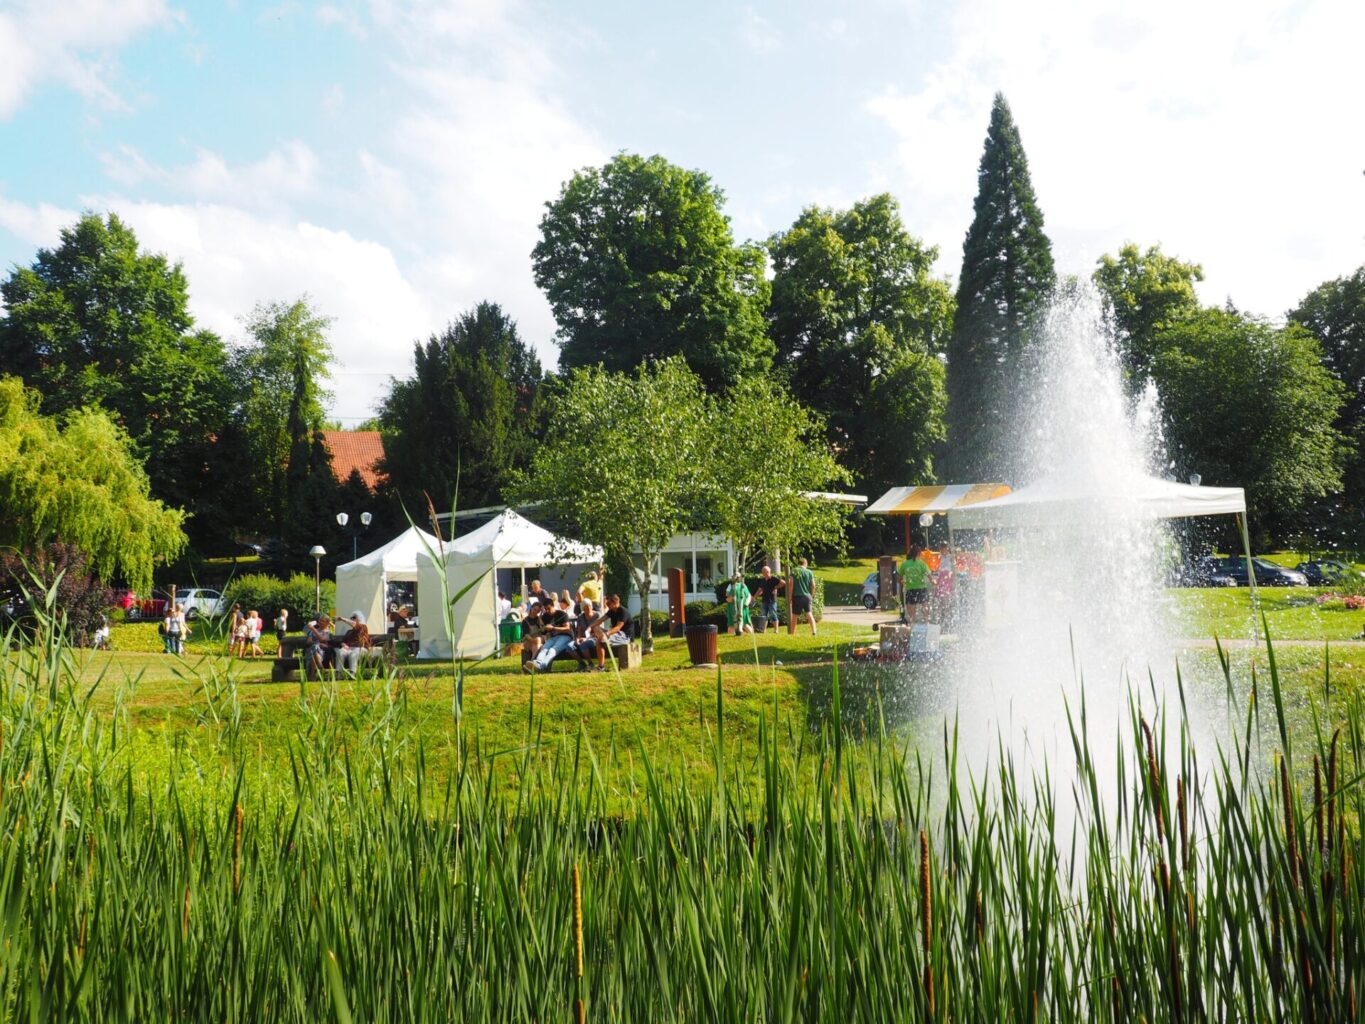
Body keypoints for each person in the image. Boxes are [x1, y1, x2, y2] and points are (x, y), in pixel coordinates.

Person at [524, 596, 575, 673]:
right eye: (546, 609)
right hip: (553, 637)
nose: (547, 611)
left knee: (552, 650)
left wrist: (553, 628)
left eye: (549, 608)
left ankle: (542, 666)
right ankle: (537, 663)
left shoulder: (562, 614)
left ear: (553, 606)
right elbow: (544, 632)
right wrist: (541, 620)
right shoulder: (545, 616)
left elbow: (567, 628)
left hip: (565, 636)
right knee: (544, 648)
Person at [899, 544, 931, 627]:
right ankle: (927, 625)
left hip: (910, 589)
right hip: (922, 589)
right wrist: (934, 582)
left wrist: (903, 582)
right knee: (925, 609)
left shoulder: (905, 564)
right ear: (919, 553)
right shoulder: (922, 564)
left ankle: (912, 628)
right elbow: (929, 576)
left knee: (912, 614)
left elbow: (899, 578)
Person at [334, 611, 372, 677]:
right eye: (351, 618)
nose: (352, 619)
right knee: (340, 652)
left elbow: (355, 625)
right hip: (348, 649)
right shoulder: (349, 632)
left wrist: (343, 619)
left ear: (359, 619)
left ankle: (352, 674)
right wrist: (343, 644)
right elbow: (343, 641)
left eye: (354, 617)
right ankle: (338, 674)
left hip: (360, 648)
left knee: (353, 654)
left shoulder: (363, 627)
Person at [751, 565, 784, 632]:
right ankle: (764, 630)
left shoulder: (774, 578)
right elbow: (760, 589)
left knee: (773, 615)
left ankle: (776, 630)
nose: (764, 573)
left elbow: (783, 583)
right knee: (763, 615)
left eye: (765, 572)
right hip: (764, 600)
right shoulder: (762, 580)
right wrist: (754, 597)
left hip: (772, 600)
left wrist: (776, 587)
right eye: (763, 572)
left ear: (768, 572)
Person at [791, 558, 818, 636]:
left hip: (797, 596)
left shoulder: (794, 571)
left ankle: (792, 633)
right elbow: (813, 585)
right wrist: (812, 595)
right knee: (809, 614)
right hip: (807, 596)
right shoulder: (809, 572)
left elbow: (791, 584)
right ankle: (814, 631)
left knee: (794, 616)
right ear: (805, 563)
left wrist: (790, 597)